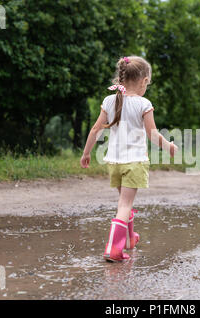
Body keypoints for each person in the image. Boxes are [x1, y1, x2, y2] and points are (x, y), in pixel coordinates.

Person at [80, 56, 177, 262]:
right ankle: (114, 249)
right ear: (143, 81)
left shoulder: (109, 100)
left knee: (125, 203)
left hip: (113, 163)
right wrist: (169, 146)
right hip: (134, 163)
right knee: (124, 205)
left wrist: (86, 152)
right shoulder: (144, 103)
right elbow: (152, 134)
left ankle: (129, 239)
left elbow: (96, 129)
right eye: (147, 84)